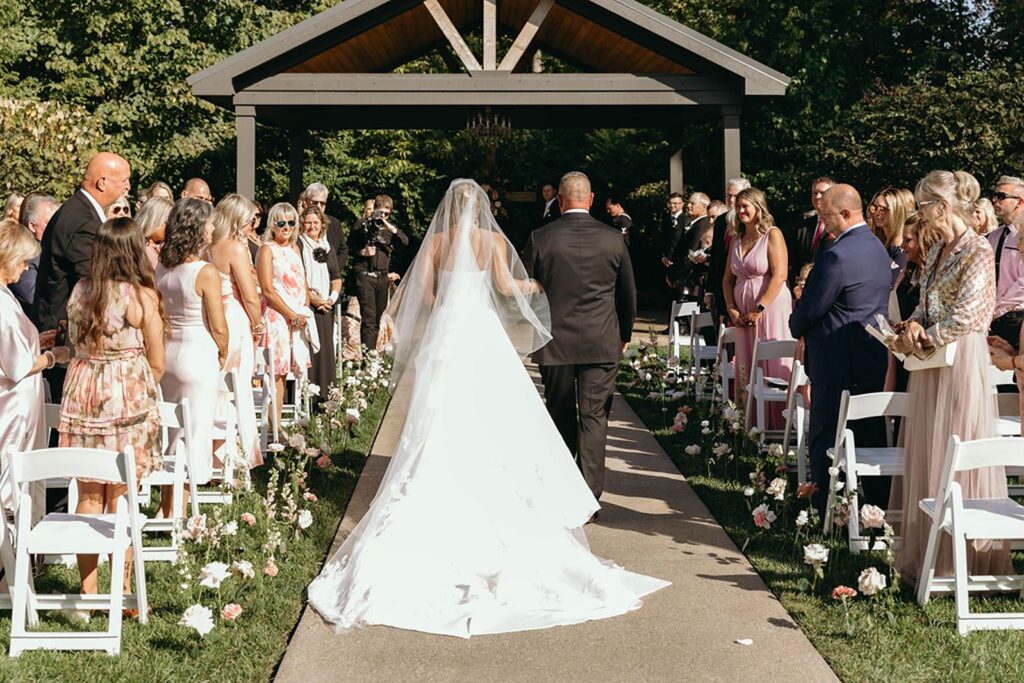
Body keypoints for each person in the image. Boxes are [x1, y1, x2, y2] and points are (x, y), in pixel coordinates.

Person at [307, 178, 666, 637]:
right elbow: (505, 286)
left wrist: (449, 305)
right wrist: (536, 282)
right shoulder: (492, 240)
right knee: (491, 415)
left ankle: (439, 479)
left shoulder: (436, 242)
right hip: (480, 333)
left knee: (437, 415)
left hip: (446, 334)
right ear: (482, 207)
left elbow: (424, 293)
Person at [891, 170, 1011, 585]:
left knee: (956, 451)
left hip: (960, 366)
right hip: (929, 366)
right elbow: (926, 306)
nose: (918, 214)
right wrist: (910, 327)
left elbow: (969, 315)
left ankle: (964, 562)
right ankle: (927, 555)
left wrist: (925, 336)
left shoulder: (977, 250)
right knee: (929, 450)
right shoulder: (940, 249)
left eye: (923, 206)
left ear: (941, 206)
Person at [58, 217, 164, 603]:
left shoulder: (79, 291)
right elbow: (158, 361)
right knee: (122, 493)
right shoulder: (141, 297)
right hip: (126, 398)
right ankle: (121, 589)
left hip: (83, 392)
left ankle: (88, 594)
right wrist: (138, 384)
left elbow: (74, 342)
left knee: (88, 493)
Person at [523, 171, 637, 503]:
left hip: (554, 339)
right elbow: (627, 294)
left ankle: (562, 487)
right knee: (594, 415)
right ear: (589, 199)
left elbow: (526, 289)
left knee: (559, 413)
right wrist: (625, 333)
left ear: (559, 200)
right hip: (602, 339)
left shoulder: (540, 237)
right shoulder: (614, 238)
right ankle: (587, 497)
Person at [789, 185, 892, 516]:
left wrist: (796, 324)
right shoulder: (877, 247)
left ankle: (824, 510)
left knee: (826, 436)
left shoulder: (836, 254)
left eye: (827, 216)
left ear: (846, 213)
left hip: (834, 357)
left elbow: (812, 307)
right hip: (870, 354)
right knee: (870, 436)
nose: (824, 222)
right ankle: (875, 510)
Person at [33, 152, 132, 402]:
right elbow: (93, 284)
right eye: (124, 181)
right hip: (67, 338)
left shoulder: (77, 210)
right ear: (102, 183)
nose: (128, 187)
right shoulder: (82, 222)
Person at [157, 198, 229, 487]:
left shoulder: (162, 267)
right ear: (198, 228)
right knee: (197, 427)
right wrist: (223, 351)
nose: (213, 228)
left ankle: (167, 493)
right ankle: (190, 493)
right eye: (210, 223)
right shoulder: (205, 271)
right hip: (198, 354)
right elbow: (219, 325)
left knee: (171, 427)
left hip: (169, 352)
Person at [0, 221, 69, 508]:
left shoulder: (6, 296)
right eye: (24, 261)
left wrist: (37, 340)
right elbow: (18, 366)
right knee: (12, 478)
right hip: (14, 407)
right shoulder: (3, 305)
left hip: (20, 403)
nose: (27, 268)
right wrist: (56, 357)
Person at [722, 187, 793, 416]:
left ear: (758, 207)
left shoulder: (772, 234)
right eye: (738, 206)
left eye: (746, 206)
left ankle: (780, 420)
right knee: (748, 363)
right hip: (743, 312)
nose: (741, 210)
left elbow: (780, 275)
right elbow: (727, 280)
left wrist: (758, 308)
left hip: (770, 307)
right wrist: (732, 308)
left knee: (772, 357)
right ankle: (750, 421)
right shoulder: (736, 239)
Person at [210, 193, 264, 468]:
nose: (250, 226)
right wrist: (258, 324)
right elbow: (249, 296)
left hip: (213, 318)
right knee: (239, 387)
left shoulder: (207, 246)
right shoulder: (235, 248)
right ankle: (240, 456)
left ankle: (216, 455)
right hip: (236, 317)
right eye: (246, 221)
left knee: (218, 389)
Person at [257, 202, 313, 435]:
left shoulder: (295, 248)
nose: (287, 227)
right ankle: (275, 427)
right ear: (273, 224)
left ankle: (283, 423)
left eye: (291, 222)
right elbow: (267, 289)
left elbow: (303, 282)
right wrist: (290, 314)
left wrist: (305, 309)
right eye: (282, 222)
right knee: (276, 372)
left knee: (292, 368)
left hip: (296, 315)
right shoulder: (266, 249)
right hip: (277, 315)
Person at [347, 195, 409, 348]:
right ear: (373, 210)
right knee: (369, 318)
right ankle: (368, 358)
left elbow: (404, 242)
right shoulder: (362, 225)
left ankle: (372, 354)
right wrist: (363, 252)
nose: (382, 216)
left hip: (382, 277)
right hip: (365, 276)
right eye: (379, 212)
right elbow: (349, 247)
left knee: (378, 319)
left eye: (386, 214)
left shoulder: (389, 229)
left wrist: (390, 226)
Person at [298, 205, 342, 404]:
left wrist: (331, 298)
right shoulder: (299, 245)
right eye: (308, 222)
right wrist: (315, 299)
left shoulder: (327, 246)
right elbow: (299, 277)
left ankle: (326, 397)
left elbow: (336, 276)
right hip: (310, 306)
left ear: (322, 224)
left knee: (326, 351)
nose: (312, 226)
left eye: (315, 222)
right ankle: (311, 398)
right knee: (312, 354)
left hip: (327, 306)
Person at [705, 177, 751, 324]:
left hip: (744, 284)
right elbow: (716, 257)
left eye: (735, 196)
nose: (731, 200)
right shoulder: (721, 221)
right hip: (722, 285)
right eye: (728, 195)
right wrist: (710, 289)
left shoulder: (753, 221)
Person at [987, 175, 1024, 350]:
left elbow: (1022, 284)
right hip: (993, 318)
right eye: (994, 196)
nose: (995, 200)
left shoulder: (1022, 235)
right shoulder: (993, 236)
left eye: (1001, 196)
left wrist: (997, 309)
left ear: (1020, 202)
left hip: (1017, 317)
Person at [10, 192, 58, 314]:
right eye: (50, 222)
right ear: (32, 226)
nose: (57, 226)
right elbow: (33, 297)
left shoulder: (52, 247)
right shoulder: (24, 255)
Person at [785, 177, 835, 287]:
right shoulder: (802, 226)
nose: (817, 197)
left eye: (822, 193)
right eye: (814, 193)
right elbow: (793, 262)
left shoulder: (840, 227)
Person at [668, 192, 712, 302]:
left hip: (687, 279)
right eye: (688, 203)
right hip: (682, 277)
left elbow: (691, 254)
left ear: (704, 207)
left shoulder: (701, 225)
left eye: (693, 203)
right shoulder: (694, 224)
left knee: (685, 316)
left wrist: (676, 276)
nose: (688, 206)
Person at [867, 186, 915, 285]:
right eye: (874, 208)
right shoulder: (880, 247)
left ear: (896, 211)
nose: (877, 213)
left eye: (883, 209)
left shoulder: (903, 251)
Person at [299, 182, 349, 275]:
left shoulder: (334, 223)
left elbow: (343, 250)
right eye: (314, 202)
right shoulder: (297, 223)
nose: (318, 206)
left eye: (322, 203)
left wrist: (334, 269)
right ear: (306, 202)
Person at [136, 196, 173, 270]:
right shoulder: (141, 250)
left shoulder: (161, 247)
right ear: (154, 221)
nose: (171, 227)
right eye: (168, 222)